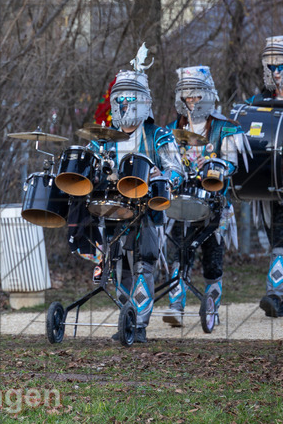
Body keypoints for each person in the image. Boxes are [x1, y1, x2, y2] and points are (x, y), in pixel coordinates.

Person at [79, 60, 184, 343]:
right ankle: (127, 323)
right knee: (121, 267)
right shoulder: (104, 139)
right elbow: (88, 166)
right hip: (115, 208)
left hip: (148, 211)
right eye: (120, 98)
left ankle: (139, 326)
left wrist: (162, 174)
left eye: (130, 98)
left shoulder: (158, 135)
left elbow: (176, 169)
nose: (124, 104)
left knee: (144, 265)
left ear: (143, 102)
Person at [163, 66, 245, 327]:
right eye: (187, 95)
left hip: (215, 204)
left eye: (196, 95)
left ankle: (211, 308)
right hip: (181, 202)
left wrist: (220, 166)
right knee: (179, 252)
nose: (191, 100)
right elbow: (165, 160)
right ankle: (176, 307)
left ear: (207, 95)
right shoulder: (171, 129)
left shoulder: (224, 127)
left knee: (212, 258)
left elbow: (233, 162)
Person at [249, 36, 283, 317]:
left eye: (281, 65)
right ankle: (276, 295)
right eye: (271, 65)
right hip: (272, 179)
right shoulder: (258, 101)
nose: (276, 71)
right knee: (278, 235)